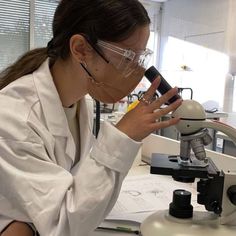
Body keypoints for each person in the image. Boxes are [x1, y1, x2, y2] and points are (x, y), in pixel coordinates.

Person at [0, 0, 182, 235]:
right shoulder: (14, 118)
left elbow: (76, 184)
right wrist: (122, 136)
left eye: (140, 58)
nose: (137, 72)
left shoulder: (79, 102)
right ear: (80, 49)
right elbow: (61, 224)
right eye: (127, 57)